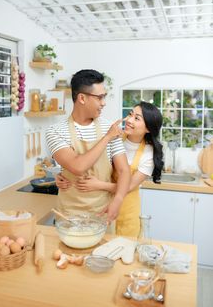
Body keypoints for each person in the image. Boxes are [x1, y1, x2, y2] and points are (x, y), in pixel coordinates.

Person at [56, 101, 163, 237]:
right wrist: (62, 175)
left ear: (148, 128)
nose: (129, 120)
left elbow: (128, 186)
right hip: (101, 205)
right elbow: (88, 162)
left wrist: (98, 185)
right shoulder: (114, 138)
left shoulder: (148, 154)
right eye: (130, 114)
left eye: (136, 118)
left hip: (126, 208)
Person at [46, 69, 131, 224]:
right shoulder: (55, 131)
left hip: (103, 213)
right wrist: (107, 138)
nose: (103, 103)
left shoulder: (108, 127)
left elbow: (124, 170)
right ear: (82, 98)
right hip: (69, 216)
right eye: (100, 97)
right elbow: (78, 166)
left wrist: (118, 200)